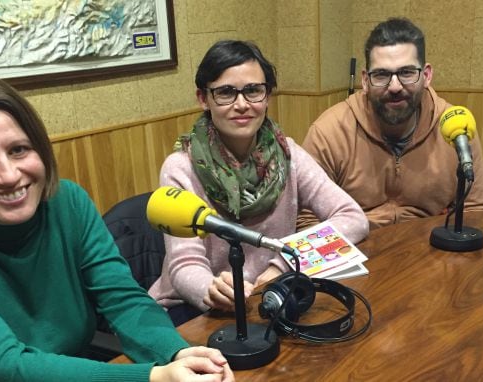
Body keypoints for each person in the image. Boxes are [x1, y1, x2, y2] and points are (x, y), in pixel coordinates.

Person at [0, 71, 233, 381]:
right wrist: (153, 378)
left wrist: (176, 354)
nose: (8, 175)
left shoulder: (68, 202)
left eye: (19, 150)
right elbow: (2, 364)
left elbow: (123, 300)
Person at [147, 40, 368, 325]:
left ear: (267, 97)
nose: (242, 105)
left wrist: (283, 264)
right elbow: (184, 264)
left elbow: (353, 218)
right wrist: (213, 289)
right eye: (226, 93)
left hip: (271, 295)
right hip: (197, 308)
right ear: (203, 99)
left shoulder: (289, 156)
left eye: (253, 91)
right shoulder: (181, 168)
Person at [299, 18, 483, 230]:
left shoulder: (456, 129)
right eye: (381, 74)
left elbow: (475, 211)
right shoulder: (329, 132)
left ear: (426, 76)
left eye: (406, 73)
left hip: (432, 250)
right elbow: (307, 220)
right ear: (365, 80)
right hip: (355, 249)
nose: (395, 86)